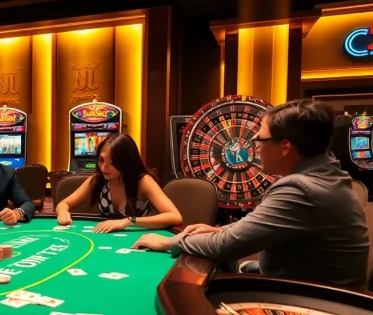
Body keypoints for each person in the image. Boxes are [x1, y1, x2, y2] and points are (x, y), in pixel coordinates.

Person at [132, 99, 370, 289]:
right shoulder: (328, 175)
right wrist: (220, 229)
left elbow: (226, 246)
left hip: (316, 307)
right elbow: (256, 226)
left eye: (260, 138)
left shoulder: (300, 189)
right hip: (311, 289)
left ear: (286, 146)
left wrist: (169, 242)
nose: (254, 145)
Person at [55, 133, 183, 232]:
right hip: (106, 238)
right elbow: (64, 203)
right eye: (101, 160)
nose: (103, 167)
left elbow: (175, 216)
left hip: (138, 239)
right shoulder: (96, 180)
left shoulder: (143, 181)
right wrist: (63, 212)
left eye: (112, 163)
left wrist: (129, 221)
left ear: (126, 162)